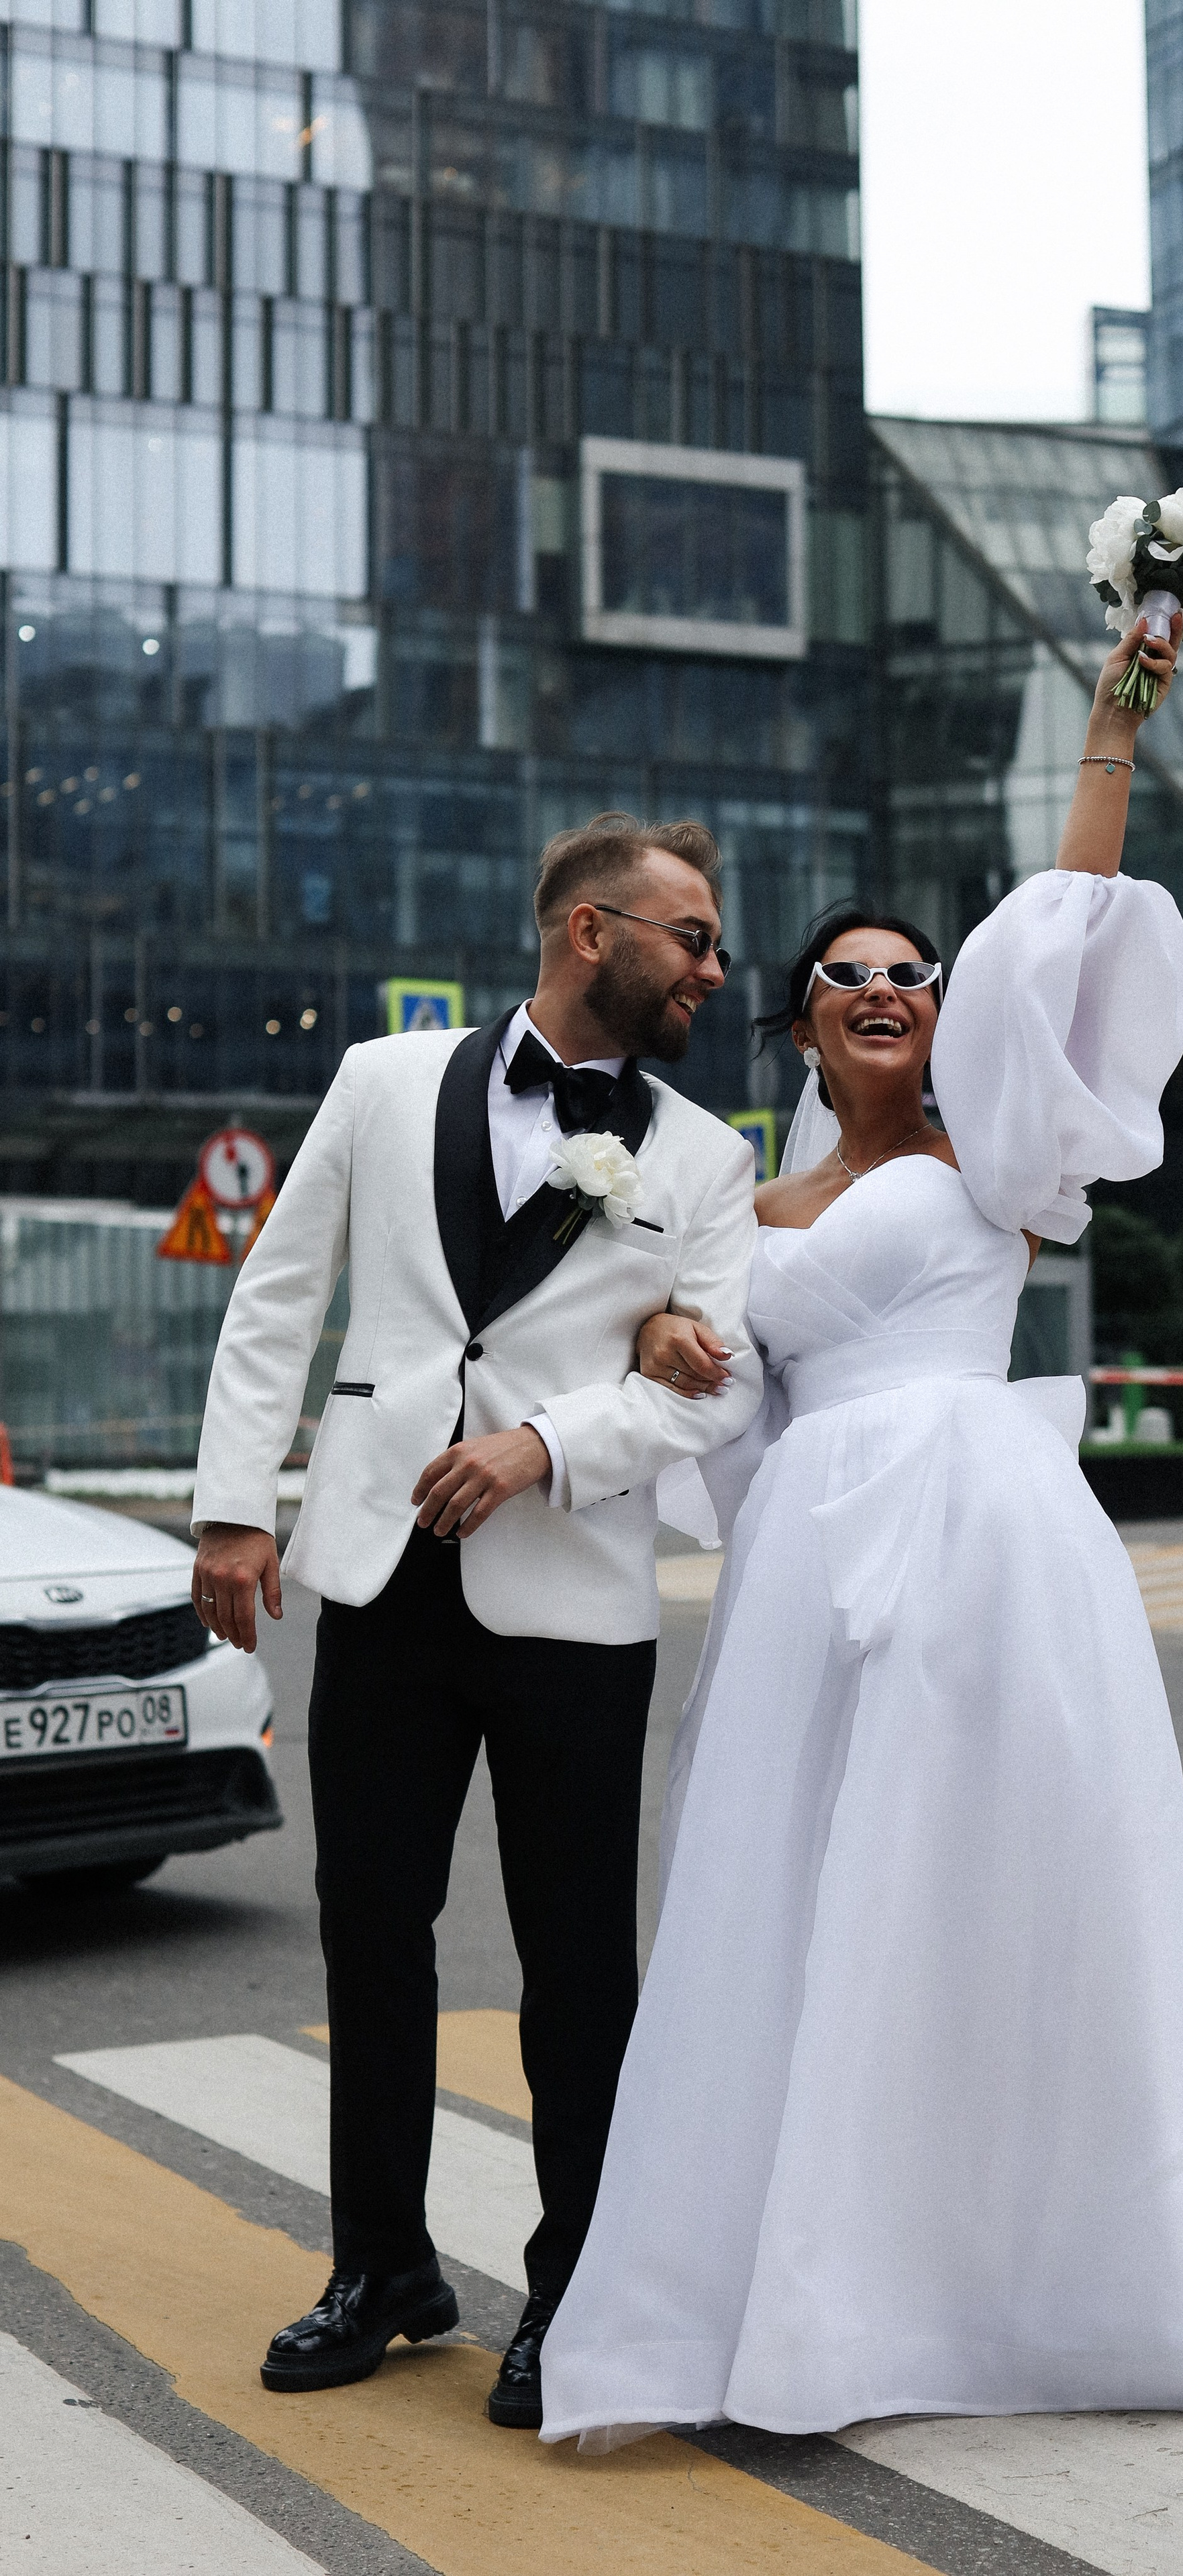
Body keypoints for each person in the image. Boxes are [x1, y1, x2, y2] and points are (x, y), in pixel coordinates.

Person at [535, 616, 1183, 2448]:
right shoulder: (735, 1197)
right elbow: (722, 1402)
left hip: (986, 1548)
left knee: (1001, 1902)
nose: (884, 989)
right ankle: (822, 2272)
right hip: (804, 1564)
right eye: (844, 974)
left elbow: (1068, 922)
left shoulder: (1000, 1159)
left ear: (942, 1015)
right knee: (814, 1907)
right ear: (797, 1020)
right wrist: (665, 1337)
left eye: (911, 974)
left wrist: (1117, 717)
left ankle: (1045, 2258)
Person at [189, 813, 762, 2428]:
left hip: (571, 1595)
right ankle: (383, 2267)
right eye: (690, 938)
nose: (713, 970)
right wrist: (238, 1504)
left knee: (580, 1965)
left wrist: (549, 1444)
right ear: (591, 933)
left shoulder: (704, 1159)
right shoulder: (381, 1080)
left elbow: (716, 1390)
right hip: (375, 1575)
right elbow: (279, 1292)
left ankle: (574, 2289)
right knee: (369, 1931)